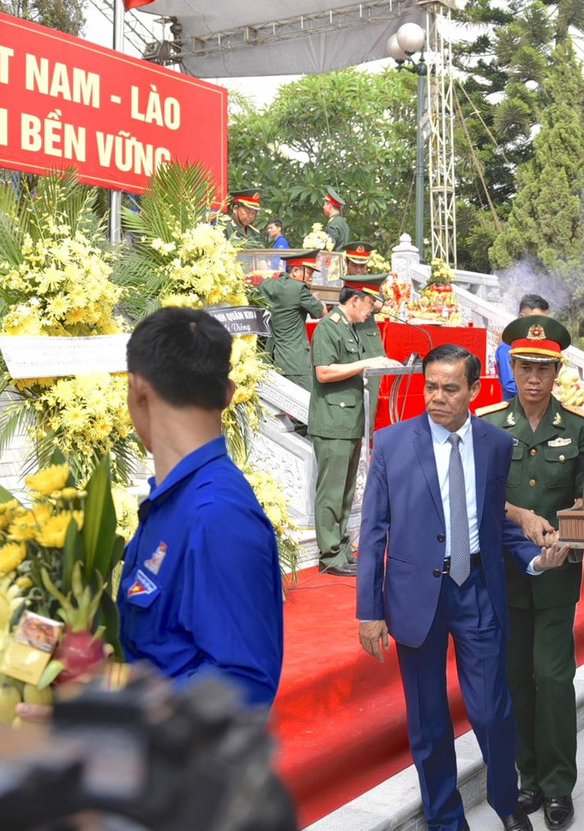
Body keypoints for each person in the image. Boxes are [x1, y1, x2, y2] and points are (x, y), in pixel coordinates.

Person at [356, 344, 570, 831]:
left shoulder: (495, 444)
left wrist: (535, 559)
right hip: (414, 599)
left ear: (474, 390)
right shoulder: (391, 443)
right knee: (428, 720)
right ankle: (445, 821)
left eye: (450, 388)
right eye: (430, 386)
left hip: (476, 588)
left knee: (494, 710)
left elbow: (496, 521)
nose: (437, 397)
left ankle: (506, 803)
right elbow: (372, 532)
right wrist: (369, 610)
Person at [117, 307, 284, 705]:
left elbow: (243, 683)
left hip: (173, 762)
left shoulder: (216, 514)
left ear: (137, 389)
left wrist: (113, 707)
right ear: (228, 392)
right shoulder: (174, 501)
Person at [477, 315, 584, 831]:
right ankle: (528, 777)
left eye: (543, 369)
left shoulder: (580, 430)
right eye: (524, 367)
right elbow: (482, 499)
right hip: (505, 573)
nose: (533, 378)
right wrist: (519, 516)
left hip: (557, 570)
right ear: (511, 367)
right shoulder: (490, 428)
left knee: (553, 676)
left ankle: (559, 785)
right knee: (517, 678)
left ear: (556, 372)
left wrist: (568, 535)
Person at [309, 274, 400, 575]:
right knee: (332, 492)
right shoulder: (329, 328)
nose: (371, 309)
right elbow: (323, 372)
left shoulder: (355, 328)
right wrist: (366, 364)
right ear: (355, 299)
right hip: (333, 421)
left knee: (346, 492)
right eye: (369, 302)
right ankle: (329, 554)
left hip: (351, 420)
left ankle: (342, 547)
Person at [257, 248, 326, 392]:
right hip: (296, 362)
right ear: (295, 271)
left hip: (271, 358)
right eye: (309, 273)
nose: (311, 278)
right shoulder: (299, 289)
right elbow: (321, 312)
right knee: (305, 407)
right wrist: (318, 301)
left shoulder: (267, 285)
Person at [496, 295, 550, 402]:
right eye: (536, 320)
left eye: (544, 321)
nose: (540, 326)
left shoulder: (539, 345)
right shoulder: (508, 346)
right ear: (522, 317)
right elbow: (509, 384)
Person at [342, 243, 387, 358]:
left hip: (367, 336)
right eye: (354, 265)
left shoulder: (372, 283)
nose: (358, 270)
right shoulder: (339, 282)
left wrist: (365, 291)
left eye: (362, 266)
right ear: (346, 262)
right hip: (345, 334)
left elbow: (378, 305)